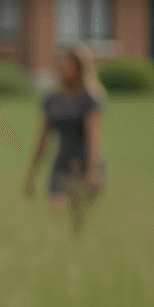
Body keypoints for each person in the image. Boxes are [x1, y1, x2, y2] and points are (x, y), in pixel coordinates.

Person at [24, 44, 107, 233]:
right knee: (57, 218)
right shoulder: (51, 100)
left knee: (76, 225)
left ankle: (77, 255)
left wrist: (93, 171)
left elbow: (94, 137)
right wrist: (31, 175)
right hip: (61, 165)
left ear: (79, 66)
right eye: (58, 61)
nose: (60, 65)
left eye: (65, 61)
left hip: (84, 165)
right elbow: (43, 140)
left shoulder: (89, 99)